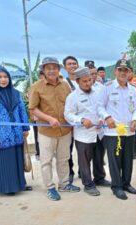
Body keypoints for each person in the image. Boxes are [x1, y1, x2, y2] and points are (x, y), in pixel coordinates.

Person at [29, 57, 80, 201]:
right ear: (43, 70)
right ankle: (50, 187)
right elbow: (33, 109)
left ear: (59, 69)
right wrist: (49, 119)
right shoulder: (37, 86)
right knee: (46, 161)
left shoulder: (65, 85)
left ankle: (64, 184)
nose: (51, 71)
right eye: (48, 68)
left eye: (54, 68)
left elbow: (71, 106)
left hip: (65, 130)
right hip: (46, 131)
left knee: (64, 158)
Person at [0, 66, 32, 195]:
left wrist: (25, 127)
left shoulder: (16, 93)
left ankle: (19, 184)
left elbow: (22, 111)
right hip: (1, 136)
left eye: (5, 77)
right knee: (4, 163)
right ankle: (6, 187)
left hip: (16, 134)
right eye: (0, 77)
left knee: (16, 161)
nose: (3, 80)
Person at [97, 58, 136, 200]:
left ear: (129, 72)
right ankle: (116, 186)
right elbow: (99, 107)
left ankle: (126, 183)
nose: (123, 72)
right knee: (114, 160)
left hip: (129, 130)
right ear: (115, 71)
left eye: (126, 70)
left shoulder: (133, 89)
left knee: (128, 159)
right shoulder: (107, 87)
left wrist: (135, 119)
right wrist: (107, 117)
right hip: (112, 132)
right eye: (120, 70)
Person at [65, 67, 107, 196]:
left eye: (90, 80)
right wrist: (81, 120)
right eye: (85, 81)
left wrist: (102, 119)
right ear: (77, 81)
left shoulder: (98, 91)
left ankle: (99, 178)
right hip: (83, 135)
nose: (89, 83)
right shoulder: (72, 97)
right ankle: (88, 184)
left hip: (98, 131)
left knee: (99, 157)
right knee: (84, 160)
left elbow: (101, 108)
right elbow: (68, 114)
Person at [62, 55, 79, 183]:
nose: (72, 66)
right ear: (65, 67)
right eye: (69, 64)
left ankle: (83, 172)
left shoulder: (83, 80)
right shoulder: (63, 83)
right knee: (67, 150)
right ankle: (70, 172)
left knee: (84, 150)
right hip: (68, 123)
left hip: (83, 123)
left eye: (74, 63)